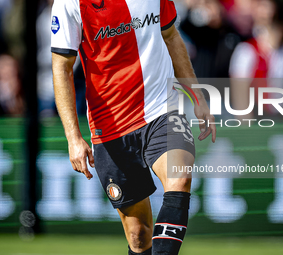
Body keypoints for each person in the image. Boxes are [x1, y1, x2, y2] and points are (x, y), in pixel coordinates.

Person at [51, 1, 216, 255]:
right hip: (110, 126)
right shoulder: (70, 2)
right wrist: (73, 137)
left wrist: (197, 96)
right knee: (138, 235)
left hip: (163, 108)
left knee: (179, 177)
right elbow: (62, 66)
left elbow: (171, 36)